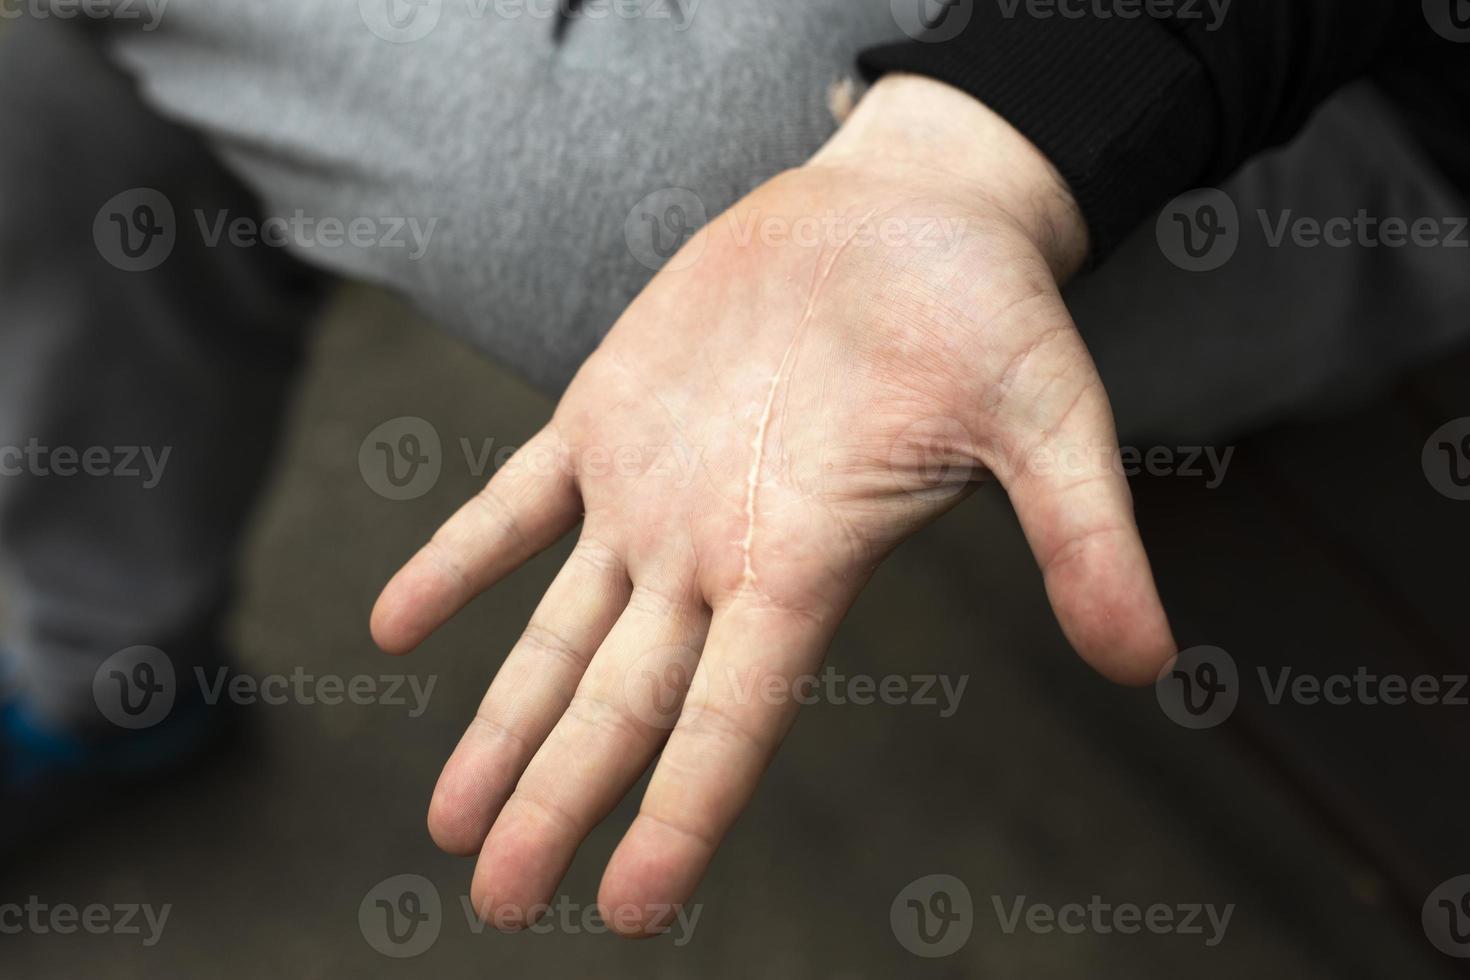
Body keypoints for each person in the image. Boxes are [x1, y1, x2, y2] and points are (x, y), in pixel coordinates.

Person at [2, 0, 1466, 934]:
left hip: (1333, 99)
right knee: (65, 78)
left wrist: (980, 145)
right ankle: (107, 665)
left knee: (617, 213)